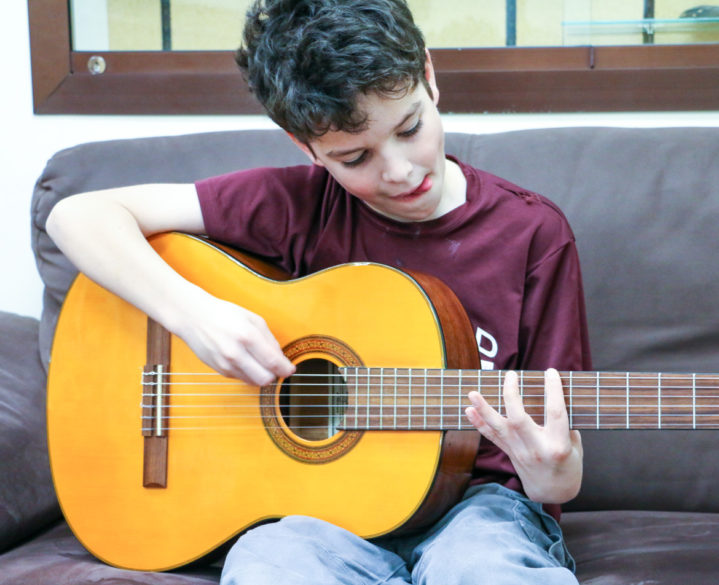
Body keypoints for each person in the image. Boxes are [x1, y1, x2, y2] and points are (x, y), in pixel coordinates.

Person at [46, 0, 592, 583]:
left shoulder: (533, 233)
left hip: (480, 510)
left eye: (409, 128)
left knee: (485, 569)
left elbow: (557, 463)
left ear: (428, 77)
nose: (401, 171)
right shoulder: (296, 206)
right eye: (354, 157)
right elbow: (77, 216)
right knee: (267, 568)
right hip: (319, 516)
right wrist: (194, 317)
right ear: (305, 147)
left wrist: (555, 474)